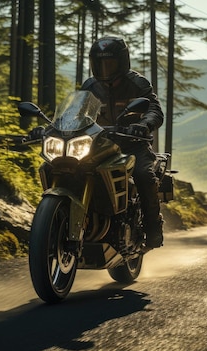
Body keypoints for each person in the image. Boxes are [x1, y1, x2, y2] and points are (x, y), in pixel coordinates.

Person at [81, 36, 164, 249]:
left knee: (144, 175)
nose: (105, 68)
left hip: (133, 143)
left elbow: (155, 109)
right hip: (99, 144)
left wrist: (144, 124)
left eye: (110, 63)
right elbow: (78, 113)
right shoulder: (90, 86)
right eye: (100, 64)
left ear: (123, 62)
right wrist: (56, 127)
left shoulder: (137, 84)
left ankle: (153, 228)